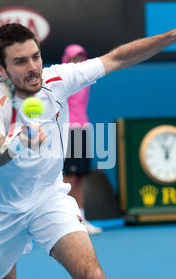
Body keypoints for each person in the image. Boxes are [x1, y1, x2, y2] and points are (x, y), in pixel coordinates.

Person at [0, 1, 176, 279]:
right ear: (1, 69)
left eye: (36, 57)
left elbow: (117, 58)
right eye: (20, 61)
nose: (33, 67)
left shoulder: (58, 79)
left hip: (47, 199)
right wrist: (19, 143)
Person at [61, 44, 103, 235]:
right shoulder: (62, 77)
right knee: (67, 178)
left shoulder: (86, 76)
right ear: (67, 59)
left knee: (80, 177)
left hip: (83, 129)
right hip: (67, 131)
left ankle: (81, 218)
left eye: (81, 57)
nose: (78, 60)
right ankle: (64, 219)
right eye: (74, 57)